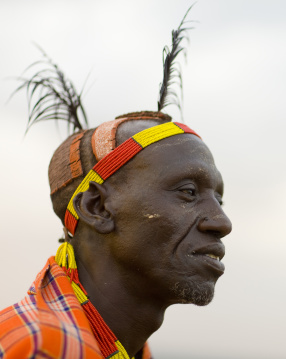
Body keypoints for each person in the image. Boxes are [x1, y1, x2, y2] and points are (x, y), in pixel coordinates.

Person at [0, 11, 232, 359]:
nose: (222, 223)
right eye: (188, 192)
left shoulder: (115, 347)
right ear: (97, 207)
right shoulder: (41, 348)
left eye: (219, 199)